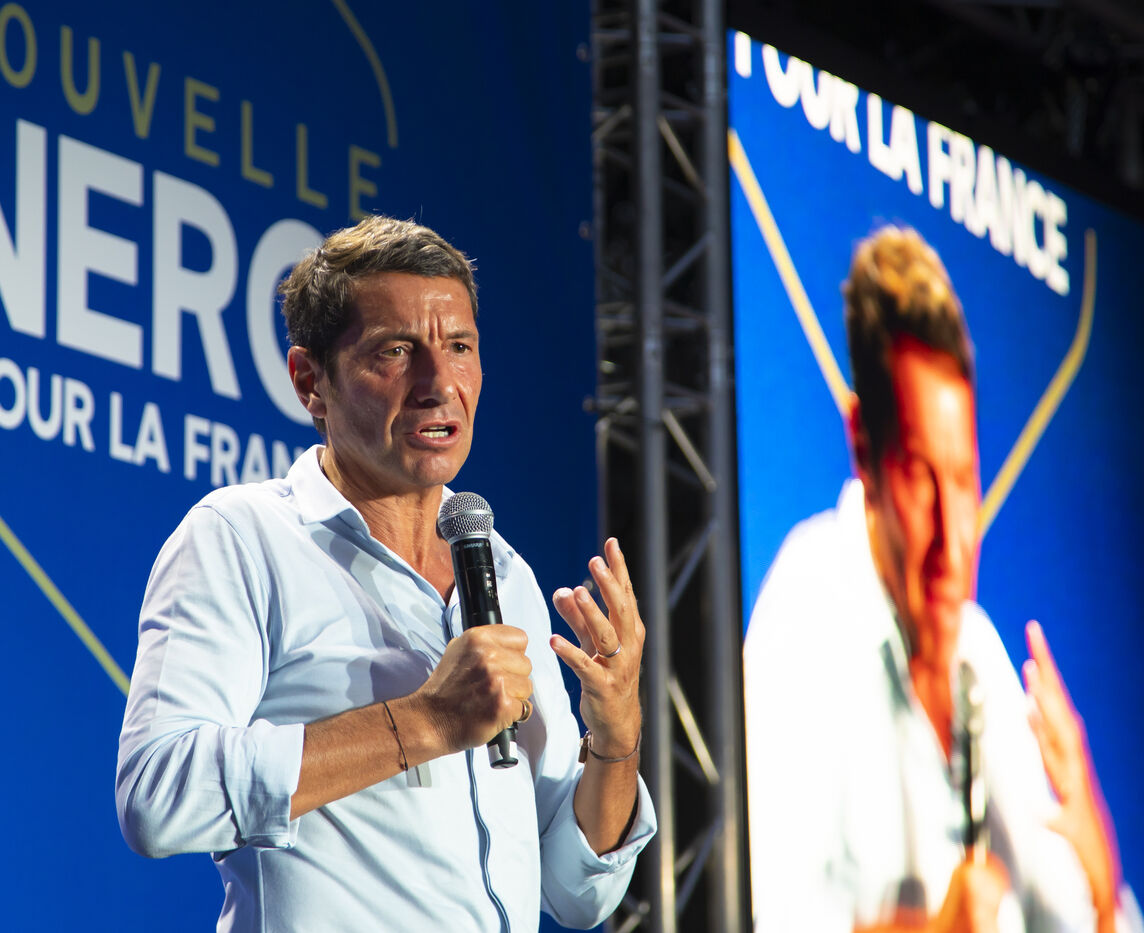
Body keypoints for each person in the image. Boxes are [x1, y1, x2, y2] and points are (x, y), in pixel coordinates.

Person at [116, 215, 655, 931]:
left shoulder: (504, 575)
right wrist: (427, 721)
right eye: (396, 351)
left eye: (459, 346)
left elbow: (578, 892)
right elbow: (159, 794)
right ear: (310, 381)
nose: (439, 384)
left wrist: (616, 737)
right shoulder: (242, 536)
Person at [743, 225, 1141, 932]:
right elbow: (769, 916)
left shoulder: (981, 653)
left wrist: (1100, 866)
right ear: (863, 446)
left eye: (962, 479)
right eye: (921, 477)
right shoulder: (806, 611)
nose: (954, 539)